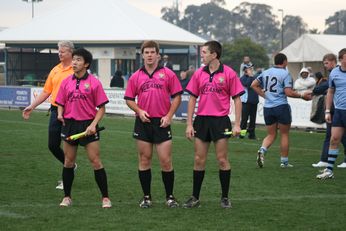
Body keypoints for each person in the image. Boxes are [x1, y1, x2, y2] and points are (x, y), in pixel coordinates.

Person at [183, 40, 244, 209]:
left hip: (220, 121)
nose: (201, 55)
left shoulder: (229, 73)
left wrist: (237, 123)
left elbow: (237, 99)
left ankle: (225, 197)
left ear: (214, 55)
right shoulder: (199, 74)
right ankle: (195, 197)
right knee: (198, 159)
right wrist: (189, 124)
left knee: (222, 160)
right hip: (201, 120)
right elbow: (192, 98)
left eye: (204, 52)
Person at [124, 40, 183, 208]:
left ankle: (170, 197)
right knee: (144, 160)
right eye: (146, 52)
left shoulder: (169, 74)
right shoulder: (136, 76)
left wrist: (169, 115)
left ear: (158, 55)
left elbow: (177, 96)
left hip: (162, 122)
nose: (149, 55)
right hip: (143, 121)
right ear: (142, 55)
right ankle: (147, 197)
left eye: (152, 52)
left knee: (165, 160)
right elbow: (129, 99)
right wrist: (139, 111)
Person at [55, 48, 111, 208]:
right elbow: (60, 102)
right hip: (69, 125)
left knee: (95, 162)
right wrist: (60, 114)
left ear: (86, 64)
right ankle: (67, 197)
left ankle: (105, 198)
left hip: (88, 124)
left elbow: (101, 108)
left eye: (78, 60)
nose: (74, 62)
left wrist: (93, 125)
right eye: (73, 59)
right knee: (68, 162)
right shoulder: (66, 81)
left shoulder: (94, 82)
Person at [22, 41, 75, 190]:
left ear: (71, 53)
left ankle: (67, 175)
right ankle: (71, 166)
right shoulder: (55, 70)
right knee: (52, 145)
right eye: (59, 51)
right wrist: (32, 106)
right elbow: (46, 91)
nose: (60, 53)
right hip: (54, 110)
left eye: (63, 51)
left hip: (71, 112)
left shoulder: (75, 69)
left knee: (69, 146)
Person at [251, 53, 311, 168]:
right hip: (281, 107)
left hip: (268, 108)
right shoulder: (285, 74)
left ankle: (262, 150)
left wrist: (265, 96)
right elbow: (288, 92)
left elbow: (254, 85)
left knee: (271, 134)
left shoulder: (266, 72)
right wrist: (302, 95)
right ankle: (284, 162)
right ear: (285, 62)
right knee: (284, 134)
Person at [312, 54, 346, 168]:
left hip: (338, 109)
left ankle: (327, 160)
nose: (325, 66)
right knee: (331, 136)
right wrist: (327, 110)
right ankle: (325, 160)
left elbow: (323, 87)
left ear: (333, 61)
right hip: (334, 109)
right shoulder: (334, 73)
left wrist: (313, 91)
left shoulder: (335, 72)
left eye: (326, 63)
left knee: (339, 136)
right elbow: (329, 90)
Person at [240, 63, 259, 139]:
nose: (251, 70)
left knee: (253, 119)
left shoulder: (255, 77)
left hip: (254, 101)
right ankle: (242, 134)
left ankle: (252, 135)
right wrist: (250, 76)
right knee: (244, 119)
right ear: (245, 71)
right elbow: (248, 85)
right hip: (246, 102)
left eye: (251, 69)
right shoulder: (242, 78)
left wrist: (252, 76)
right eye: (249, 69)